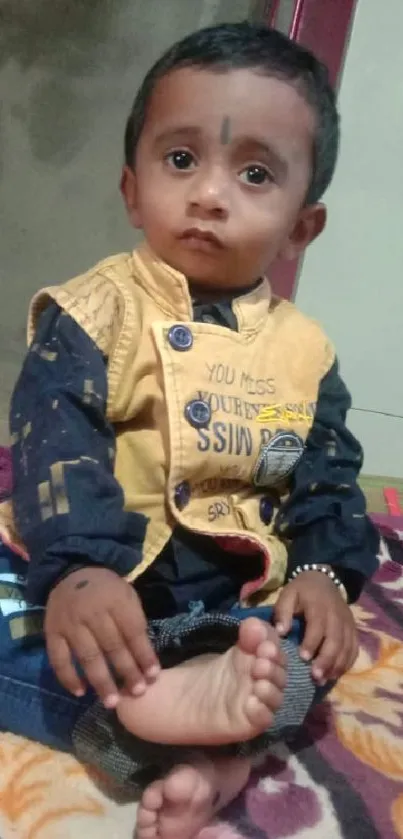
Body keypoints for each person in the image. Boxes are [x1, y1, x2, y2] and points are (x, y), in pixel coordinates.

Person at [0, 21, 379, 839]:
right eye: (181, 160)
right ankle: (186, 730)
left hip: (227, 600)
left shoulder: (302, 353)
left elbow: (326, 475)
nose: (209, 193)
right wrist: (76, 569)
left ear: (299, 226)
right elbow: (53, 440)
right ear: (132, 188)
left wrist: (323, 574)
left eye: (253, 173)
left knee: (302, 657)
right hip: (101, 584)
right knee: (12, 619)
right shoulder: (94, 312)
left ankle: (197, 727)